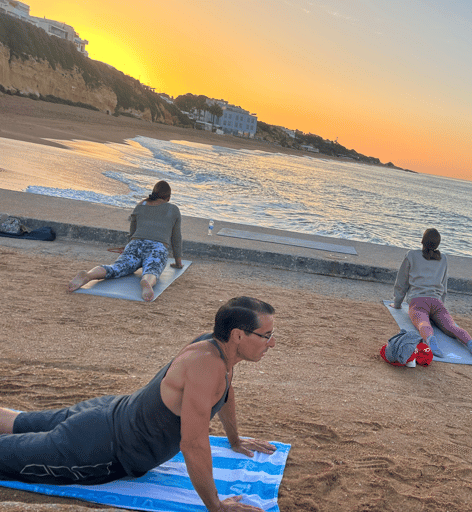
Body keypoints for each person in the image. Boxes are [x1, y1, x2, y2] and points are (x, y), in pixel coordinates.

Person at [0, 297, 278, 511]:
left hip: (104, 414)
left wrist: (234, 439)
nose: (272, 343)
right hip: (98, 450)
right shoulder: (207, 367)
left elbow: (224, 392)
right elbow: (193, 444)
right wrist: (216, 506)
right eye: (265, 335)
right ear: (239, 335)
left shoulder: (213, 348)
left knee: (14, 421)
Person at [68, 180, 184, 301]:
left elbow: (132, 232)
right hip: (157, 247)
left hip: (135, 244)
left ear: (153, 193)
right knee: (152, 270)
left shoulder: (141, 205)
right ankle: (146, 282)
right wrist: (178, 262)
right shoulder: (173, 209)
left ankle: (88, 275)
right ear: (168, 198)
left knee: (116, 268)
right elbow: (176, 238)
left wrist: (128, 247)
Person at [390, 228, 472, 362]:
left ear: (422, 241)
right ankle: (471, 343)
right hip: (436, 301)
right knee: (452, 327)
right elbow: (444, 284)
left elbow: (402, 282)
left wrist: (397, 303)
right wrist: (441, 303)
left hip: (418, 301)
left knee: (423, 322)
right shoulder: (443, 259)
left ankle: (430, 339)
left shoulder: (411, 255)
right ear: (437, 244)